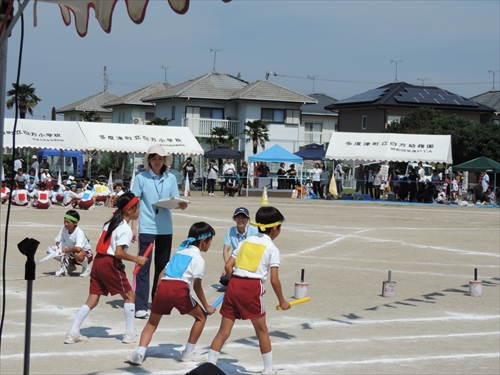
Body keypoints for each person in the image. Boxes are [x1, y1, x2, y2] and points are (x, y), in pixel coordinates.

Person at [208, 206, 290, 375]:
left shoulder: (245, 242)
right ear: (275, 228)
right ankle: (268, 369)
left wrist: (235, 283)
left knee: (223, 332)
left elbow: (228, 265)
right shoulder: (272, 249)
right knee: (262, 331)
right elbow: (274, 279)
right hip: (251, 288)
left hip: (234, 285)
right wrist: (282, 301)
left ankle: (208, 366)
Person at [125, 222, 216, 366]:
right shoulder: (198, 259)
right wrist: (207, 306)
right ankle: (188, 352)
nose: (210, 244)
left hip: (163, 287)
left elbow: (162, 273)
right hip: (179, 290)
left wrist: (158, 292)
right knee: (201, 317)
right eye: (210, 241)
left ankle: (139, 354)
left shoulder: (179, 253)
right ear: (204, 241)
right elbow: (197, 286)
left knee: (152, 323)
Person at [64, 193, 146, 344]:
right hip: (110, 263)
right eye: (137, 208)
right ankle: (129, 334)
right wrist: (137, 259)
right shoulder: (125, 228)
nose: (139, 211)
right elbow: (118, 253)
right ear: (128, 210)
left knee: (93, 299)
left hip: (98, 262)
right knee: (130, 296)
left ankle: (73, 332)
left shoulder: (110, 223)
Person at [131, 144, 188, 319]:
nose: (157, 162)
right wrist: (133, 227)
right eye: (154, 158)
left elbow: (173, 200)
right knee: (143, 266)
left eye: (160, 158)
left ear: (165, 160)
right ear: (148, 160)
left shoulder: (170, 178)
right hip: (147, 227)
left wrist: (181, 205)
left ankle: (157, 301)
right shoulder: (141, 178)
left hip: (165, 228)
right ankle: (141, 305)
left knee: (162, 267)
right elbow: (135, 202)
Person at [45, 210, 93, 277]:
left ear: (75, 223)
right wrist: (61, 248)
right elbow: (58, 242)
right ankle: (70, 265)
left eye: (68, 222)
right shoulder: (64, 228)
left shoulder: (79, 232)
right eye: (65, 221)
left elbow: (78, 249)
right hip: (70, 252)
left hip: (85, 254)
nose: (65, 224)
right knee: (50, 250)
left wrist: (66, 250)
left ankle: (86, 267)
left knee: (78, 254)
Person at [220, 207, 259, 287]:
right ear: (234, 219)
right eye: (238, 217)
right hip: (236, 262)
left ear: (248, 219)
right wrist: (227, 266)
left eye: (243, 217)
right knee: (224, 279)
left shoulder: (254, 231)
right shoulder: (230, 231)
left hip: (250, 262)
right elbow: (225, 250)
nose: (240, 220)